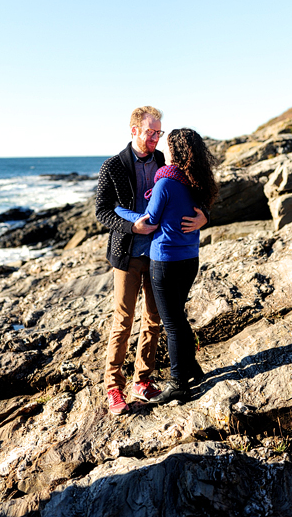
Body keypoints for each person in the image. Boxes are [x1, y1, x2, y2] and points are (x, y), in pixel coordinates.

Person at [95, 107, 207, 416]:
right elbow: (103, 211)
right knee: (123, 320)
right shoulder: (113, 166)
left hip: (161, 256)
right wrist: (132, 225)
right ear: (133, 131)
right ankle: (113, 387)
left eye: (159, 133)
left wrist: (204, 217)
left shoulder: (163, 161)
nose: (155, 138)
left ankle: (141, 381)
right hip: (128, 253)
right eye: (150, 133)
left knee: (155, 320)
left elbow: (193, 193)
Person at [114, 128, 218, 405]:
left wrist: (119, 210)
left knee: (171, 324)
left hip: (166, 262)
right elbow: (198, 211)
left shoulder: (167, 183)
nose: (163, 147)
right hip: (190, 260)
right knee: (178, 318)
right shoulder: (197, 182)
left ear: (176, 151)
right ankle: (192, 369)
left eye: (168, 144)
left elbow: (150, 220)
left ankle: (178, 384)